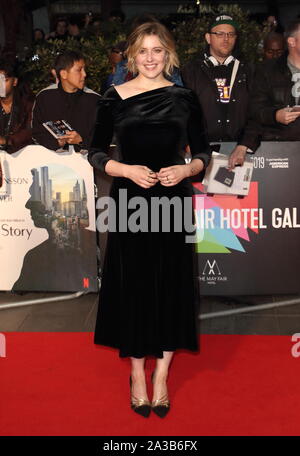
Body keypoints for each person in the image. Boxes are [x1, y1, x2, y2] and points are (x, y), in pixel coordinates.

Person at [88, 21, 211, 418]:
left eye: (158, 50)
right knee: (136, 284)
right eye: (144, 51)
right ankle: (138, 375)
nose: (151, 58)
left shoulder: (185, 98)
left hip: (173, 198)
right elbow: (94, 153)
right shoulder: (113, 97)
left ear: (168, 54)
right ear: (132, 56)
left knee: (170, 282)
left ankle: (162, 376)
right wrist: (124, 170)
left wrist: (188, 170)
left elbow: (204, 153)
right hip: (130, 201)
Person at [181, 15, 260, 170]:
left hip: (239, 152)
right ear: (208, 38)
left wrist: (244, 145)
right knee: (201, 195)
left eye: (231, 34)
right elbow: (184, 112)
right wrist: (189, 141)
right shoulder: (190, 70)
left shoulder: (248, 70)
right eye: (220, 34)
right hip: (201, 152)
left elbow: (257, 111)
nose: (226, 39)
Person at [32, 50, 100, 153]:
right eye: (79, 70)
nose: (84, 74)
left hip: (86, 162)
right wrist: (57, 143)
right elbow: (36, 133)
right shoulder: (45, 97)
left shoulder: (95, 100)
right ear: (63, 74)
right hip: (53, 161)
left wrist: (82, 141)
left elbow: (105, 136)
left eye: (84, 69)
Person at [250, 19, 300, 140]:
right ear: (292, 42)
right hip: (280, 146)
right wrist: (275, 115)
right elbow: (255, 110)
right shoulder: (267, 71)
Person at [0, 59, 34, 153]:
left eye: (4, 80)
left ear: (14, 81)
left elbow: (30, 133)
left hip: (22, 156)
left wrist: (6, 140)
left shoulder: (28, 104)